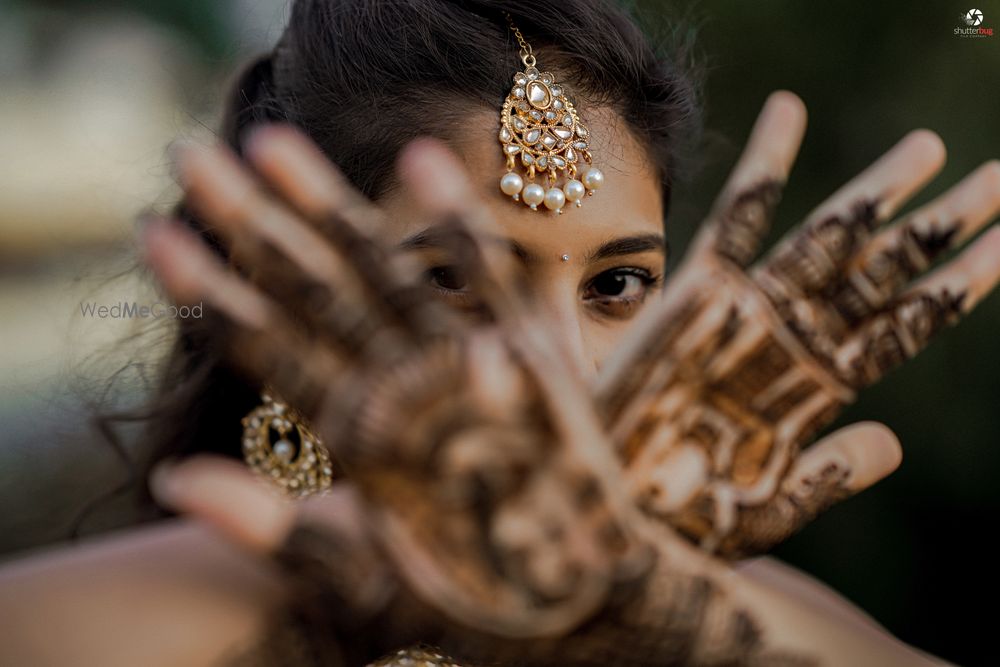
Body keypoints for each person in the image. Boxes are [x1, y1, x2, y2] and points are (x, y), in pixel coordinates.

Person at [2, 0, 998, 664]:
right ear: (288, 284)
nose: (558, 359)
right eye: (454, 279)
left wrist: (630, 604)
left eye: (616, 284)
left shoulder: (717, 618)